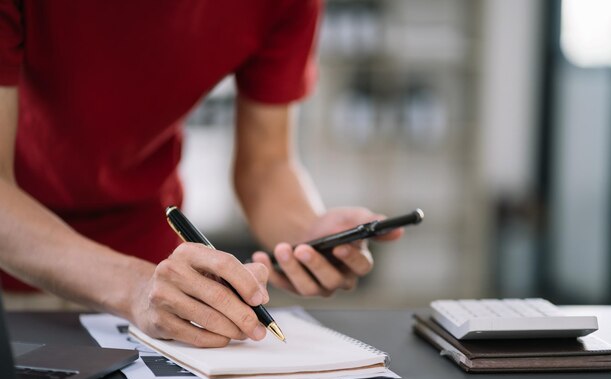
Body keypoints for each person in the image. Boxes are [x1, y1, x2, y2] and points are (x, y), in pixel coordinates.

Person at [0, 1, 402, 347]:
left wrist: (307, 233)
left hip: (152, 276)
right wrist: (133, 286)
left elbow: (266, 164)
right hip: (19, 260)